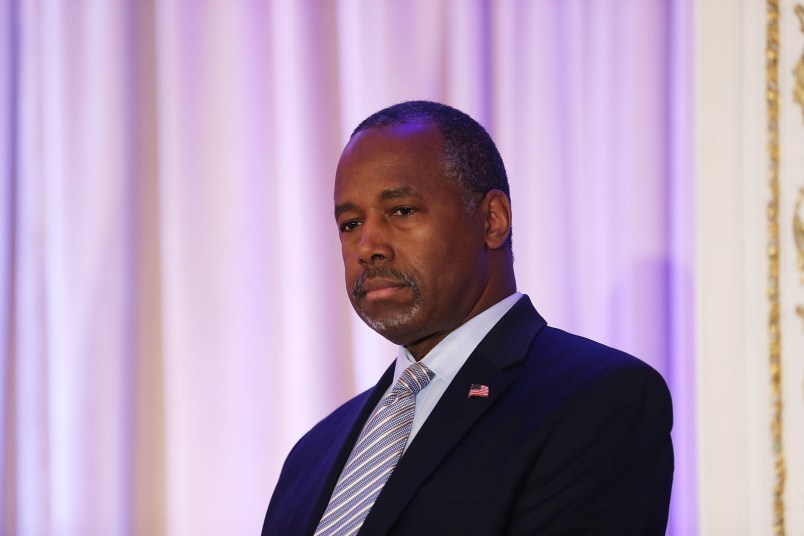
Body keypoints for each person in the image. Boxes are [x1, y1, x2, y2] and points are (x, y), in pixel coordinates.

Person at [262, 101, 673, 535]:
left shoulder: (597, 400)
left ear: (493, 220)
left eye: (401, 211)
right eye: (350, 223)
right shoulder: (312, 454)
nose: (368, 246)